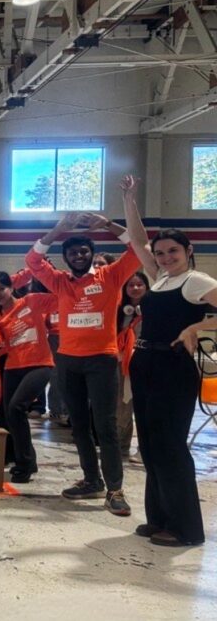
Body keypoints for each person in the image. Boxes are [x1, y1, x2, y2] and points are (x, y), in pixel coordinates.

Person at [25, 211, 139, 517]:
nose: (79, 255)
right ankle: (92, 480)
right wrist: (59, 229)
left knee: (106, 426)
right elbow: (34, 261)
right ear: (65, 257)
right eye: (73, 252)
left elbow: (138, 250)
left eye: (84, 251)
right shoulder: (60, 282)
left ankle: (115, 489)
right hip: (68, 362)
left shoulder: (111, 276)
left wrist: (110, 225)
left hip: (102, 360)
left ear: (91, 255)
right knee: (79, 426)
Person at [121, 175, 212, 546]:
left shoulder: (195, 280)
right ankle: (159, 518)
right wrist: (129, 198)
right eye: (160, 253)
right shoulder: (159, 279)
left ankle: (186, 528)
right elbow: (139, 239)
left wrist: (197, 328)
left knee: (170, 445)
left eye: (172, 251)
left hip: (173, 368)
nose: (164, 257)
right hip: (146, 365)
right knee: (151, 445)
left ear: (188, 250)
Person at [0, 271, 58, 483]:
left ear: (11, 287)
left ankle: (24, 464)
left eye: (1, 289)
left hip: (40, 365)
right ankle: (27, 460)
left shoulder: (32, 301)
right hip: (12, 367)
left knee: (16, 407)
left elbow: (62, 299)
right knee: (9, 414)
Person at [116, 271, 148, 462]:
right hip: (121, 363)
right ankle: (121, 447)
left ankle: (144, 450)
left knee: (144, 408)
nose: (135, 288)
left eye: (139, 285)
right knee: (121, 407)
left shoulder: (154, 309)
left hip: (145, 363)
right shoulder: (119, 311)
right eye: (131, 285)